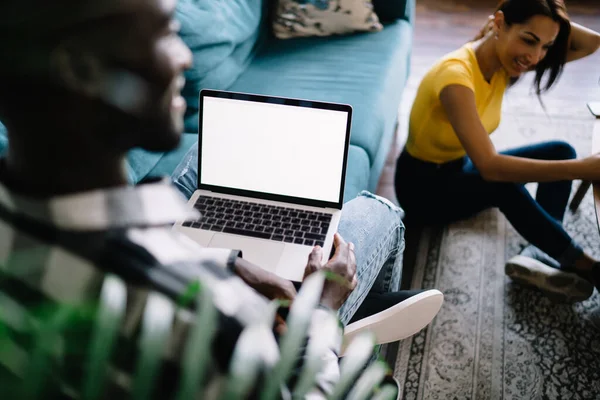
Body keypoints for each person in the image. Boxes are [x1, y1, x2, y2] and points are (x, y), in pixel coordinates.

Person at [0, 0, 442, 396]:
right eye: (165, 33)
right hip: (289, 353)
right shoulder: (206, 315)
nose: (185, 57)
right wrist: (320, 312)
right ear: (80, 68)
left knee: (202, 163)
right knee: (377, 211)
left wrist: (230, 260)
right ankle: (350, 336)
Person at [394, 0, 600, 303]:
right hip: (423, 189)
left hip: (456, 166)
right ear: (500, 24)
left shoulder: (506, 62)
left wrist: (551, 15)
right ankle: (585, 265)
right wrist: (583, 169)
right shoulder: (456, 77)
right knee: (503, 184)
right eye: (529, 40)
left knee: (561, 151)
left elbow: (592, 43)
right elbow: (490, 166)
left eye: (546, 46)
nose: (535, 56)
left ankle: (541, 251)